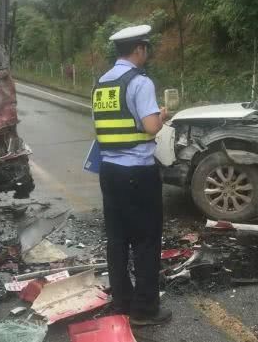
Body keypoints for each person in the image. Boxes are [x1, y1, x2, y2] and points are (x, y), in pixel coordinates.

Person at [92, 24, 172, 326]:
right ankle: (145, 310)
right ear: (139, 49)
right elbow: (151, 126)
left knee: (117, 239)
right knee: (146, 240)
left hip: (109, 170)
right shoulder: (140, 82)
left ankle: (122, 302)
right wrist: (161, 115)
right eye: (146, 48)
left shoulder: (102, 83)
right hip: (137, 172)